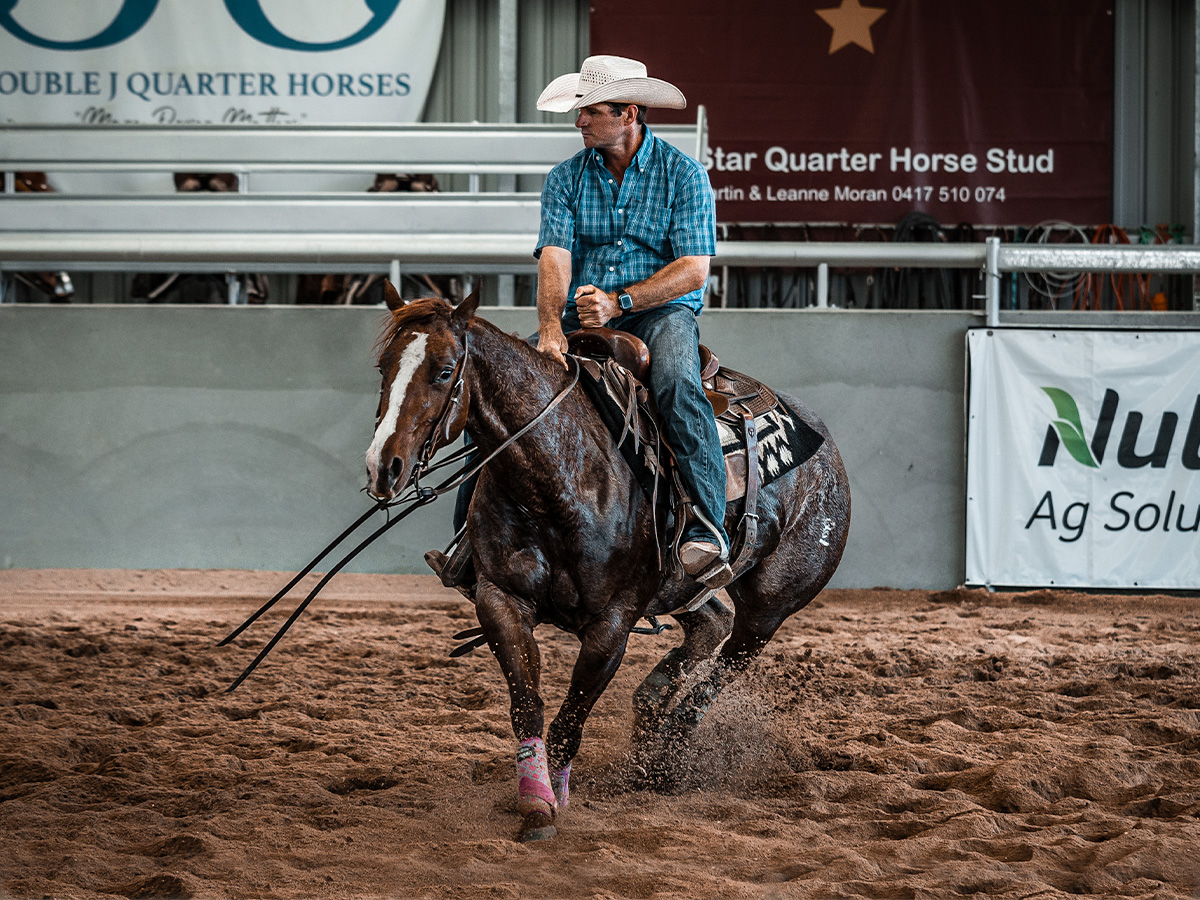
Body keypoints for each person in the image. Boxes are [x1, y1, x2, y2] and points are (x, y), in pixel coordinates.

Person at [429, 54, 729, 588]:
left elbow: (692, 269)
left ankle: (708, 529)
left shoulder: (684, 175)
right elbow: (555, 257)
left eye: (590, 111)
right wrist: (549, 329)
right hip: (577, 316)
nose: (579, 121)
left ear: (629, 113)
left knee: (678, 386)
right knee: (498, 392)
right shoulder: (566, 178)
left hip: (659, 313)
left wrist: (622, 303)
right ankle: (469, 540)